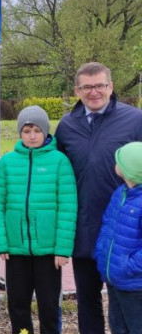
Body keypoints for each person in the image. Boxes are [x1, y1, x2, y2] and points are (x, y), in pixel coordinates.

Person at [55, 62, 142, 334]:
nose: (94, 92)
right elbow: (50, 165)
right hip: (85, 229)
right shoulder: (67, 126)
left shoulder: (135, 119)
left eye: (100, 85)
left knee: (126, 306)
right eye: (87, 87)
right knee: (87, 301)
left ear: (111, 87)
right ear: (77, 90)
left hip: (126, 233)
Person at [0, 105, 78, 334]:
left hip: (49, 252)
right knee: (18, 306)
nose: (32, 136)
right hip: (15, 250)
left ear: (46, 132)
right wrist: (1, 242)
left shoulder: (60, 162)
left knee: (49, 306)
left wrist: (62, 248)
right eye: (27, 130)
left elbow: (68, 207)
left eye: (37, 130)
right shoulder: (6, 163)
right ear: (20, 132)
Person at [94, 142, 142, 334]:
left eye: (119, 161)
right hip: (114, 278)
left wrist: (127, 267)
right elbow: (107, 226)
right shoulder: (120, 193)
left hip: (134, 285)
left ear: (129, 169)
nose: (115, 163)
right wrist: (101, 253)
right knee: (117, 326)